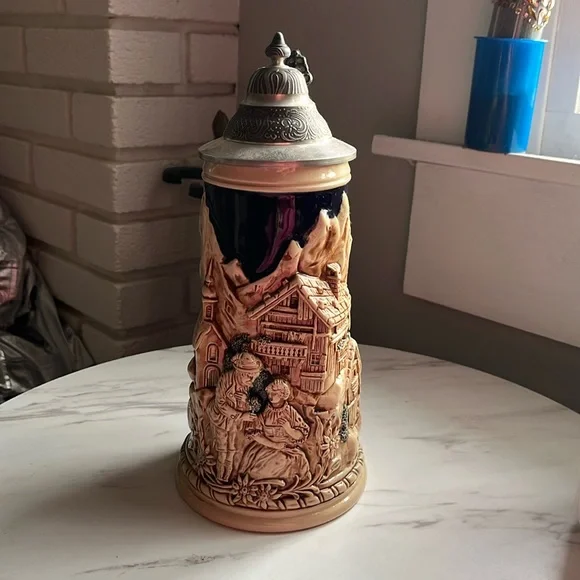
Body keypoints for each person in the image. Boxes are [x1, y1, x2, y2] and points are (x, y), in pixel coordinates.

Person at [239, 379, 311, 483]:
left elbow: (301, 434)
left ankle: (293, 484)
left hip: (288, 449)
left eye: (274, 393)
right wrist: (274, 445)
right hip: (267, 447)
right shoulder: (264, 412)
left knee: (300, 460)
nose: (270, 396)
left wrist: (289, 429)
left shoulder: (291, 412)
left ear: (283, 394)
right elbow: (255, 434)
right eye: (269, 393)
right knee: (268, 464)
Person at [206, 352, 263, 481]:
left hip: (234, 423)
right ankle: (220, 477)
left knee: (231, 449)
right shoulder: (226, 379)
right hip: (221, 419)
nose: (252, 381)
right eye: (249, 376)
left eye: (254, 377)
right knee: (222, 450)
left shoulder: (247, 385)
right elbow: (220, 403)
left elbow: (249, 406)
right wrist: (241, 416)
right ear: (240, 372)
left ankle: (228, 476)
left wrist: (245, 401)